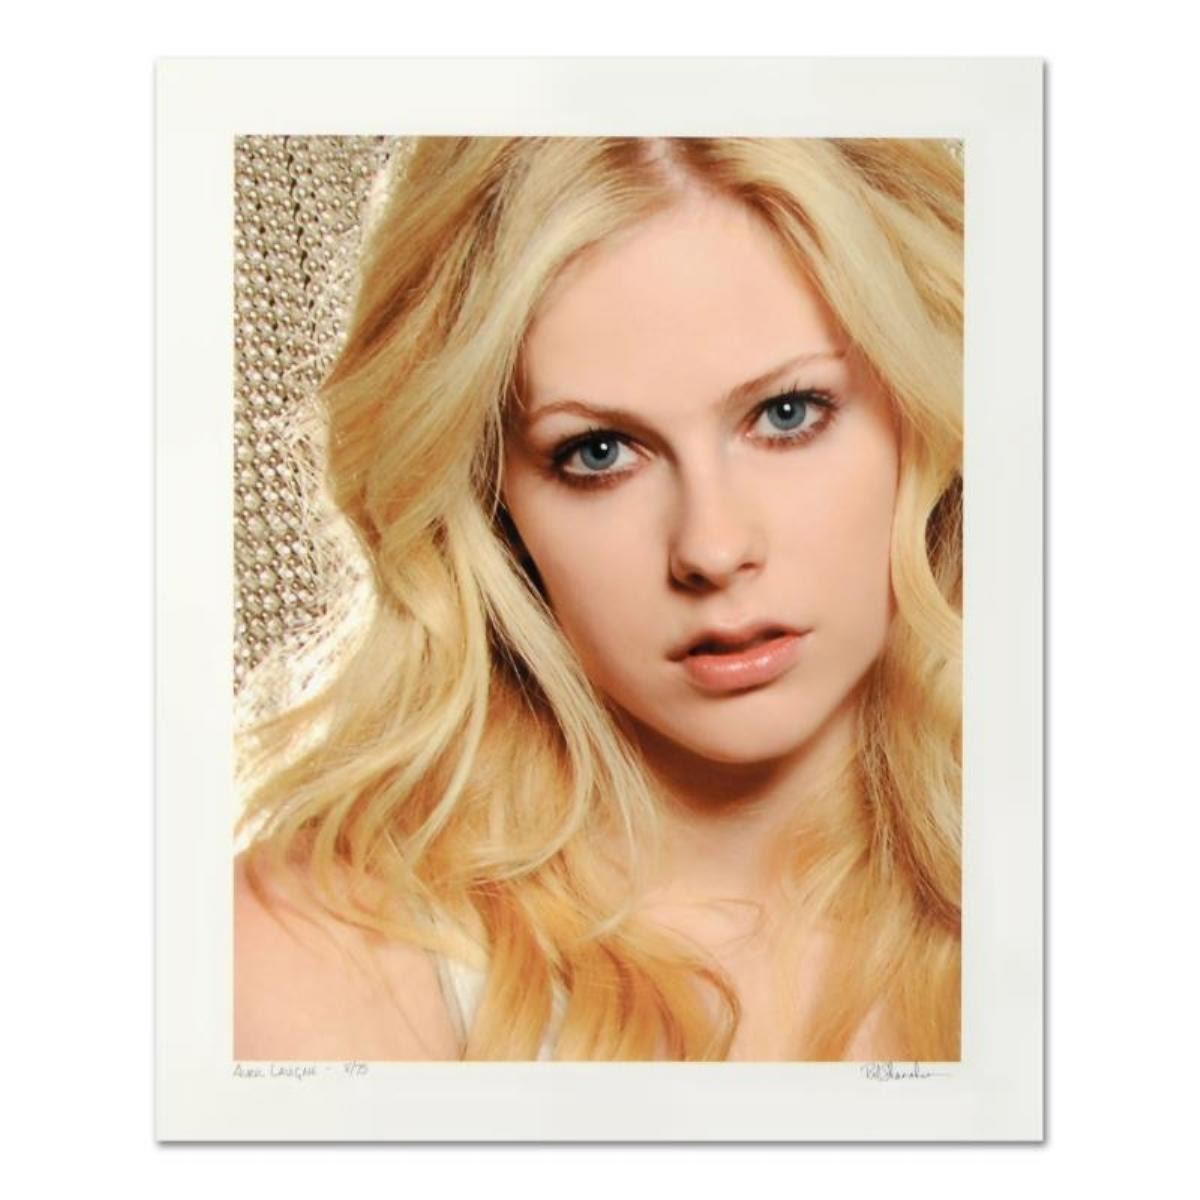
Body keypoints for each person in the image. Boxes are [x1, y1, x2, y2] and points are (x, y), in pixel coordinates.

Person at [233, 136, 963, 1062]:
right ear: (492, 501)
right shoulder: (316, 958)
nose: (712, 549)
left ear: (925, 412)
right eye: (599, 453)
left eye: (787, 413)